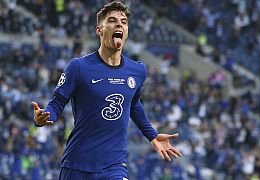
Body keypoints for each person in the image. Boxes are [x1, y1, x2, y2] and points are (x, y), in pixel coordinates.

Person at [31, 1, 182, 179]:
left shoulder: (137, 70)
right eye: (112, 20)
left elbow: (133, 104)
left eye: (124, 22)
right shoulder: (79, 67)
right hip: (77, 165)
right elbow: (57, 103)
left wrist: (153, 136)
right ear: (99, 30)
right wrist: (44, 117)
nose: (119, 24)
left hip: (114, 167)